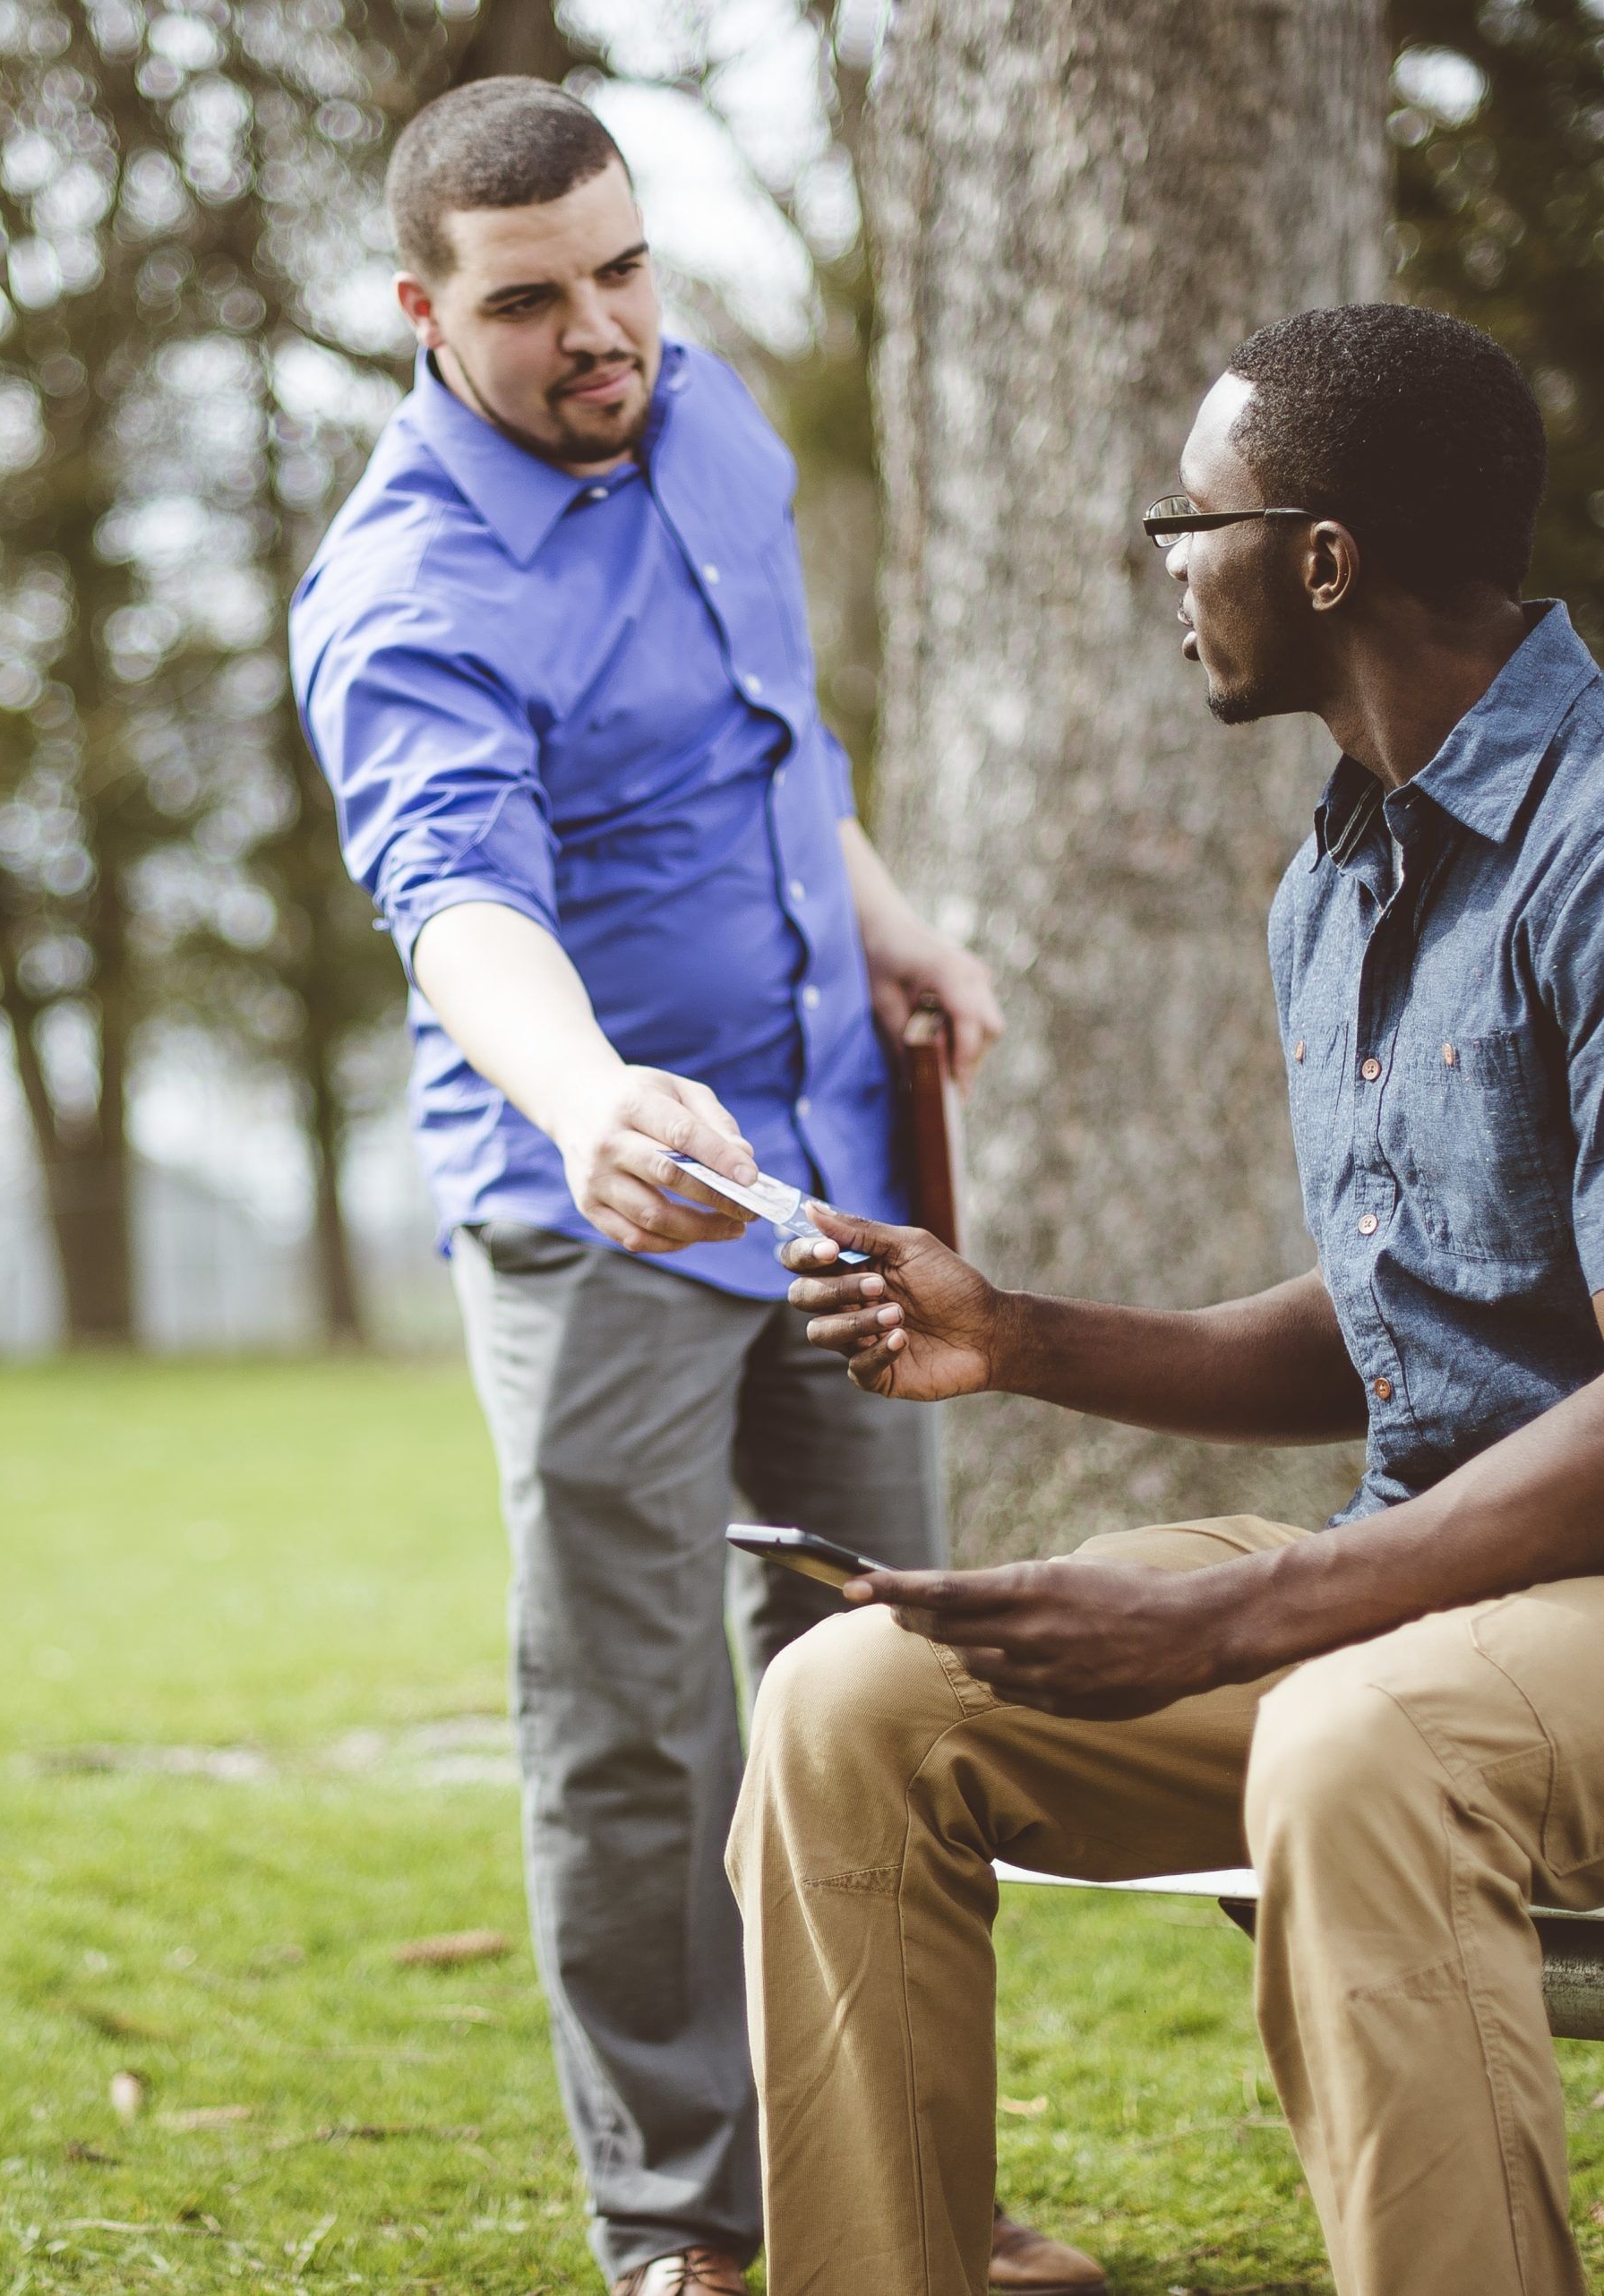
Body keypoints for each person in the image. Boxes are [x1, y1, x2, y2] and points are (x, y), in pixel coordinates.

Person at [731, 302, 1604, 2296]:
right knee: (849, 1703)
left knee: (1351, 1742)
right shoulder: (1341, 877)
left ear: (1320, 559)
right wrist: (1024, 1335)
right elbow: (1403, 1309)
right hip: (1453, 1575)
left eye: (1189, 519)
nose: (1166, 567)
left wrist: (1231, 1611)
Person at [287, 76, 1056, 2296]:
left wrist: (886, 909)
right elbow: (457, 900)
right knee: (638, 1725)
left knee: (888, 1689)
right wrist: (586, 1093)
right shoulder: (404, 589)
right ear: (424, 310)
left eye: (623, 271)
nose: (599, 331)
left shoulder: (704, 424)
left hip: (827, 1178)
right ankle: (690, 2226)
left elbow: (768, 732)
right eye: (531, 302)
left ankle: (904, 2196)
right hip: (596, 1204)